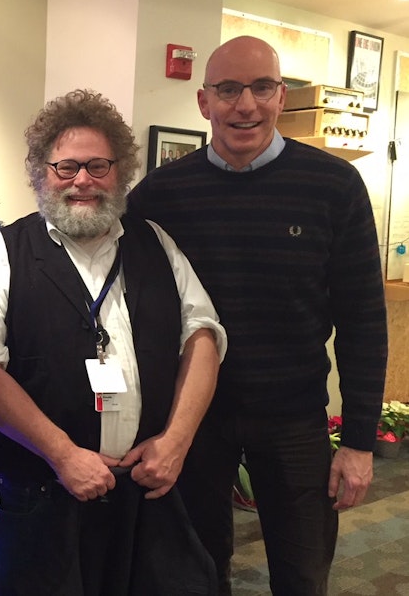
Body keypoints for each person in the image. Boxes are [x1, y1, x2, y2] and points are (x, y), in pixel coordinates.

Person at [128, 35, 389, 596]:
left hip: (294, 417)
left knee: (302, 573)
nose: (244, 105)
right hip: (192, 418)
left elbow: (364, 321)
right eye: (227, 89)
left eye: (261, 87)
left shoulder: (335, 188)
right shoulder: (160, 195)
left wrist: (360, 442)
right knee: (193, 571)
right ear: (204, 101)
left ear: (280, 97)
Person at [0, 88, 227, 594]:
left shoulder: (157, 243)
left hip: (148, 491)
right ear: (42, 173)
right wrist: (63, 455)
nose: (83, 181)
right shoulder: (3, 253)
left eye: (99, 166)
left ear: (120, 172)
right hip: (43, 497)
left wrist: (177, 442)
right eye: (67, 167)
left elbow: (204, 336)